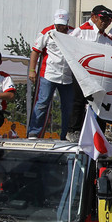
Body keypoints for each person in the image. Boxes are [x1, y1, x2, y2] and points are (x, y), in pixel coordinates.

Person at [67, 5, 112, 141]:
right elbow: (67, 45)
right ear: (94, 17)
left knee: (100, 104)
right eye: (102, 18)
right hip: (81, 73)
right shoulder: (82, 31)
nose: (105, 21)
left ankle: (99, 132)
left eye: (108, 19)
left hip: (99, 77)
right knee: (78, 102)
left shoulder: (109, 39)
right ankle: (73, 131)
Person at [27, 9, 74, 140]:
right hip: (49, 73)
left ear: (67, 22)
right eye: (58, 24)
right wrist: (32, 70)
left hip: (67, 76)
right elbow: (35, 51)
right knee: (42, 102)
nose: (60, 27)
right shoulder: (46, 32)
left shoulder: (74, 33)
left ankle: (66, 134)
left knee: (68, 107)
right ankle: (34, 132)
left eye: (62, 24)